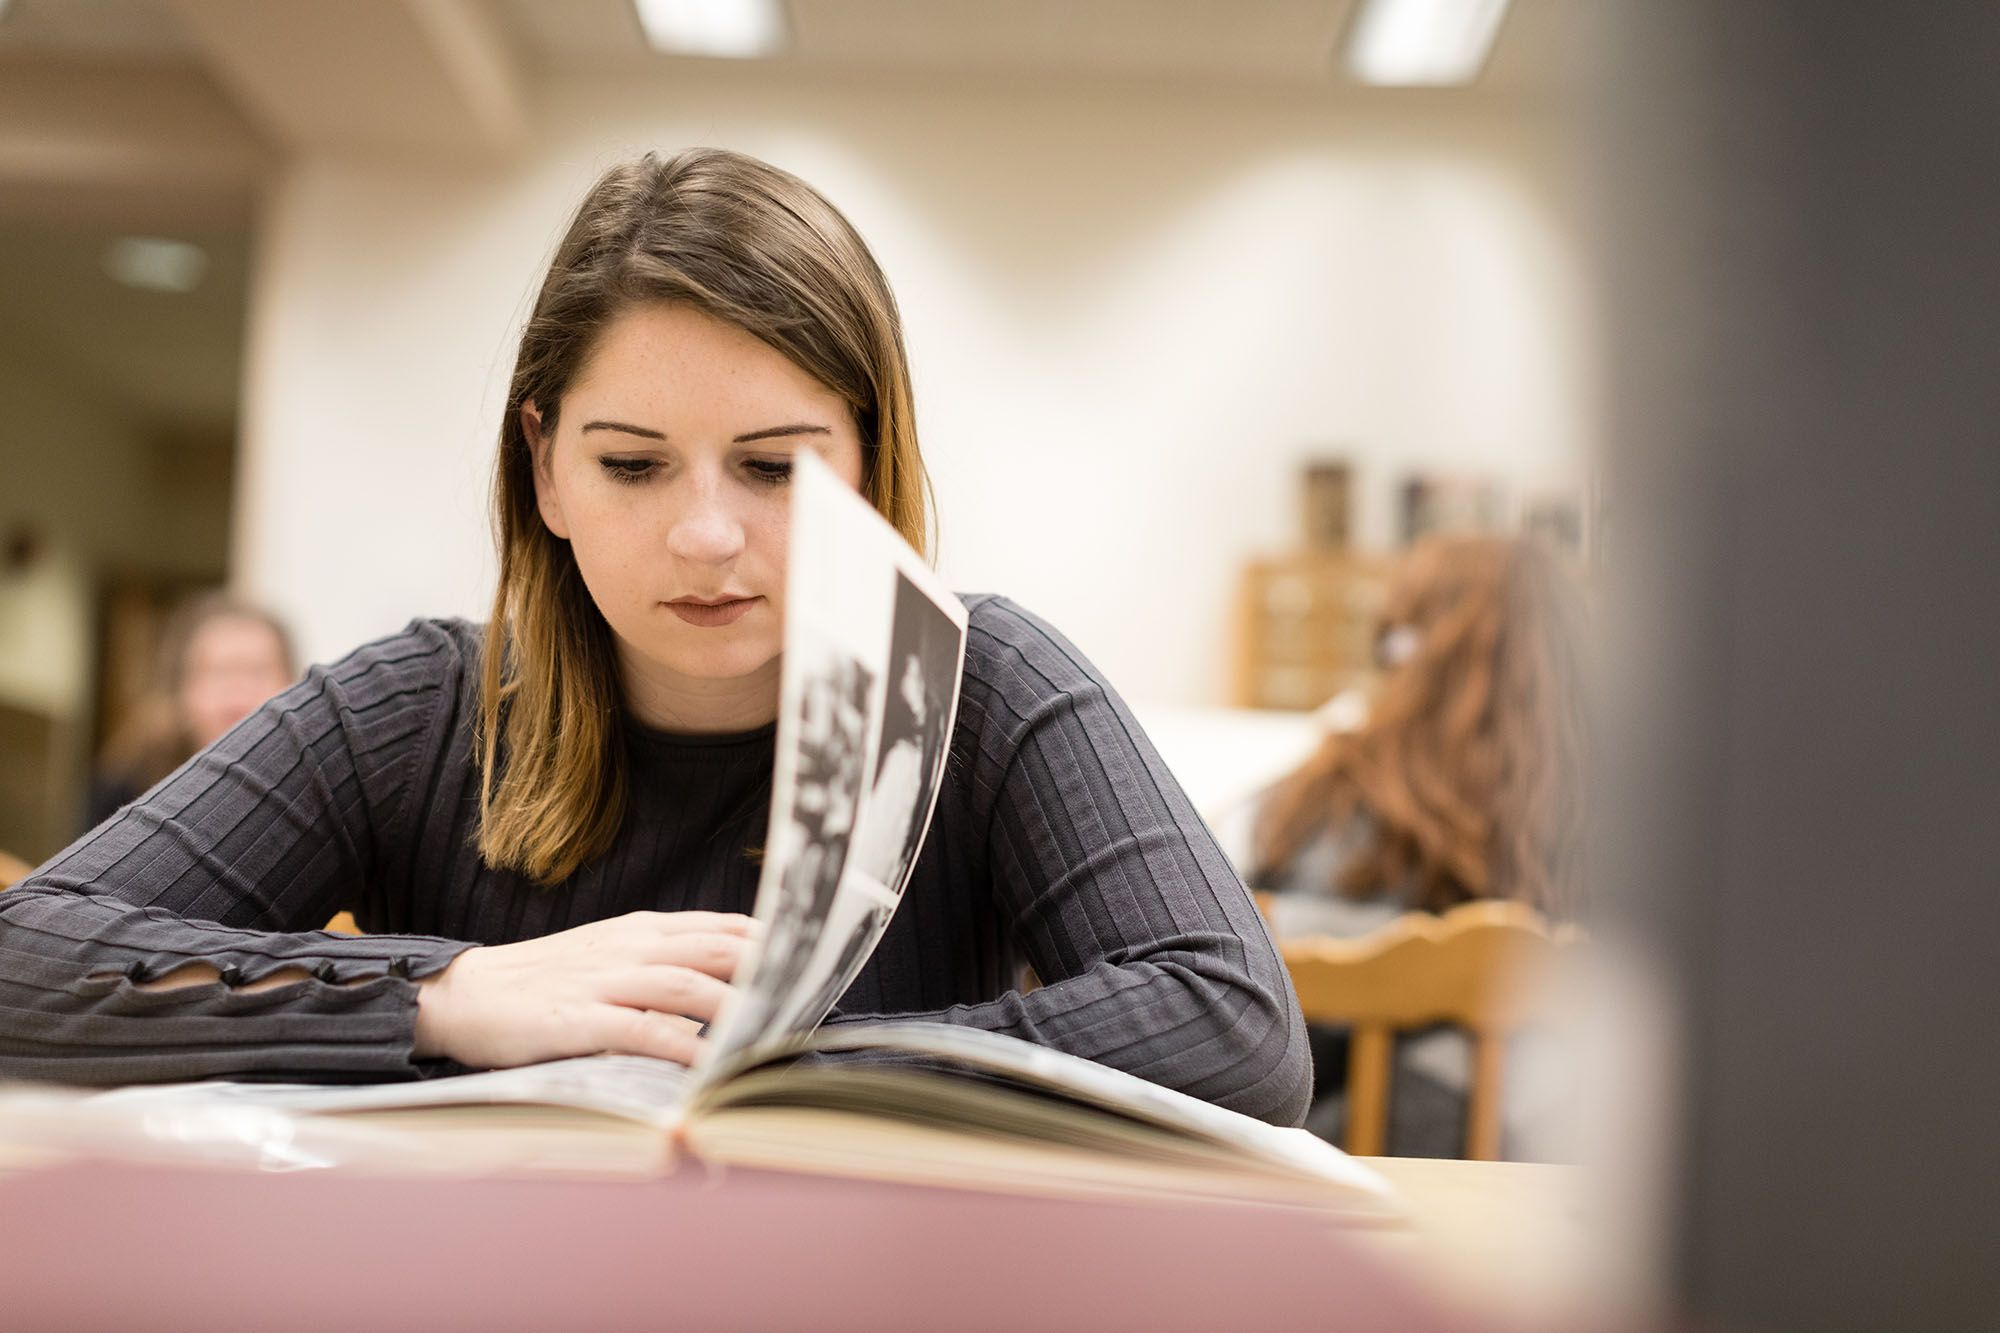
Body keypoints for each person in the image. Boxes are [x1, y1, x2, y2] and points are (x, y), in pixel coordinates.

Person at [0, 148, 1309, 1126]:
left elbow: (1237, 1027)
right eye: (633, 465)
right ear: (548, 471)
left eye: (775, 468)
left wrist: (777, 1064)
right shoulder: (413, 711)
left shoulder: (988, 685)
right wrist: (446, 999)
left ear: (868, 465)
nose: (705, 534)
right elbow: (23, 957)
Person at [1249, 533, 1587, 1154]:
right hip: (1552, 1160)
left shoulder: (1342, 793)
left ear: (1408, 651)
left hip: (1348, 1163)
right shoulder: (1613, 805)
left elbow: (1249, 965)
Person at [84, 594, 298, 830]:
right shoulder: (127, 785)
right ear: (181, 690)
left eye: (257, 671)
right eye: (220, 671)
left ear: (291, 685)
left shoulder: (315, 787)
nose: (239, 693)